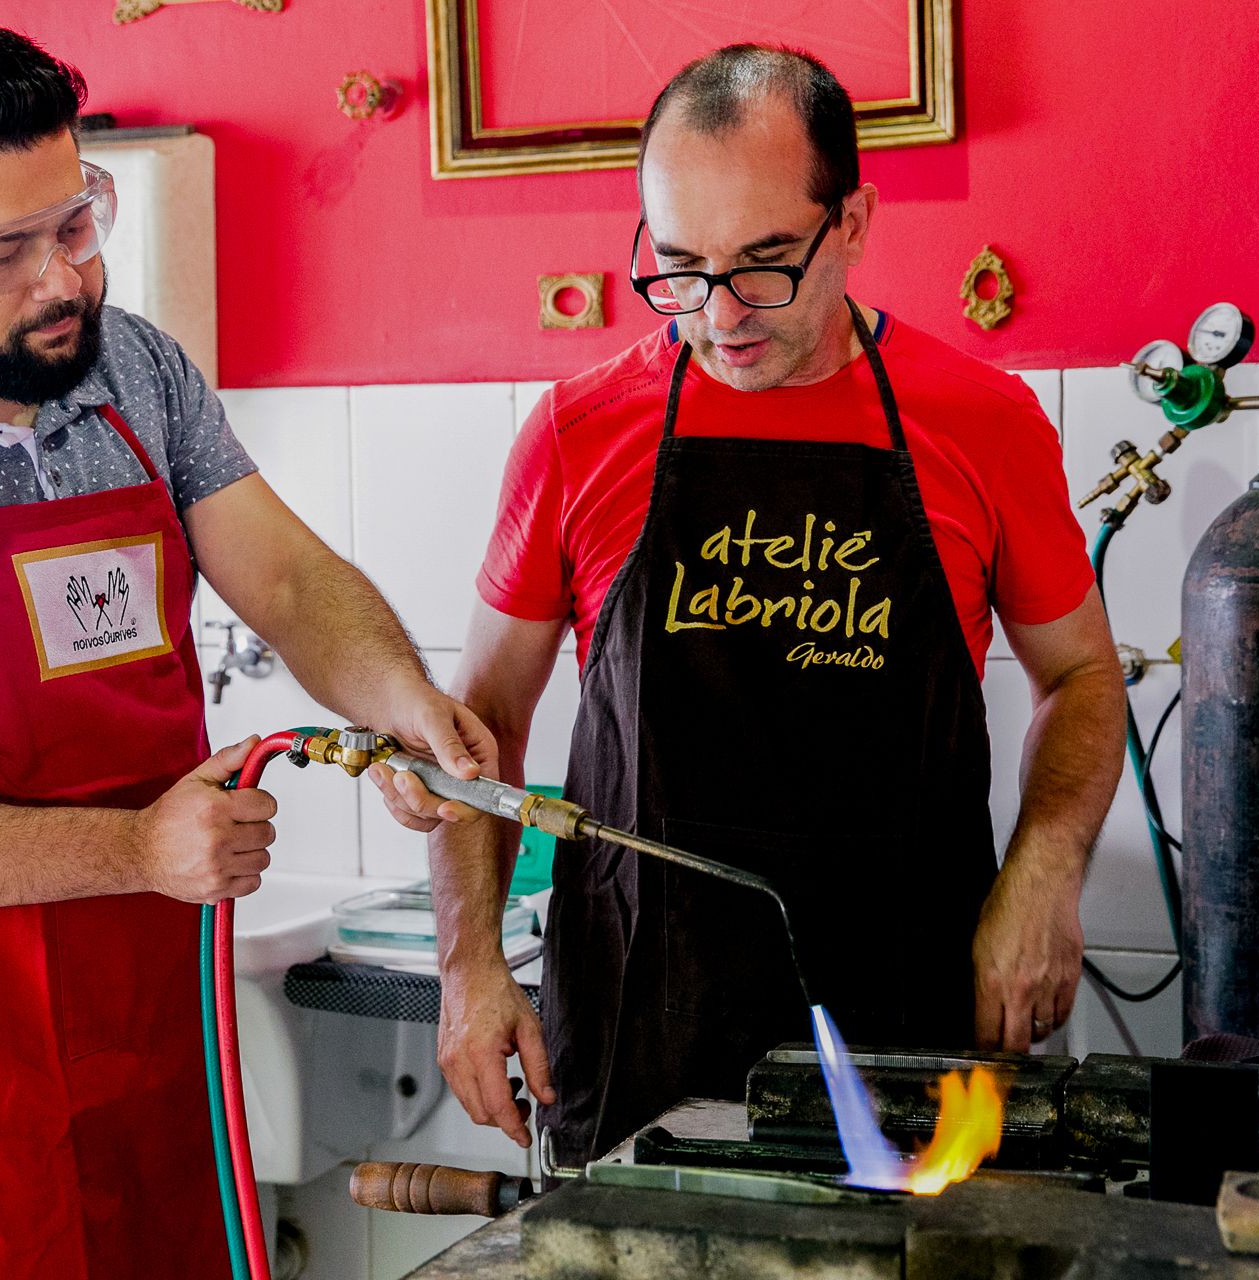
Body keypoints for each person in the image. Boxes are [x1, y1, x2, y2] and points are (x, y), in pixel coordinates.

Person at [0, 17, 491, 1279]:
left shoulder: (138, 377)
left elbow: (286, 578)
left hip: (168, 1051)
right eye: (1, 250)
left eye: (76, 222)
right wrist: (135, 849)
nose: (62, 280)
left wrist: (400, 699)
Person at [377, 45, 1126, 1168]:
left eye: (766, 265)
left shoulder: (985, 423)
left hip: (906, 1015)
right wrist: (467, 963)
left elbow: (1083, 675)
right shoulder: (579, 433)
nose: (720, 314)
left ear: (854, 223)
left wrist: (1046, 871)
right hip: (642, 1022)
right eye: (681, 267)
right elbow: (480, 722)